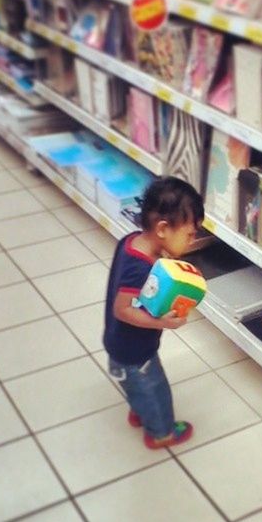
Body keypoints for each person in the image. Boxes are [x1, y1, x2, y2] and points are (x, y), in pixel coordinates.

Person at [103, 176, 204, 449]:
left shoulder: (132, 242)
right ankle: (161, 433)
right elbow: (122, 309)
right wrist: (161, 322)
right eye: (190, 234)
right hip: (134, 352)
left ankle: (140, 410)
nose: (192, 241)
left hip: (122, 345)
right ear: (162, 229)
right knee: (156, 390)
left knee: (138, 388)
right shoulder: (140, 268)